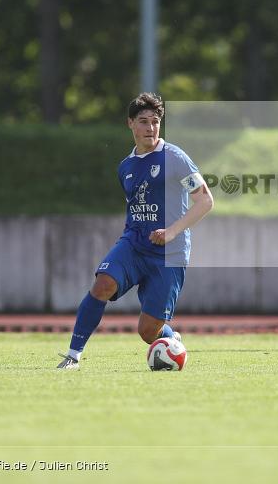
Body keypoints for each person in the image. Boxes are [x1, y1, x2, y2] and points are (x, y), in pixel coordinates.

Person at [57, 93, 214, 369]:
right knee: (102, 284)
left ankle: (170, 340)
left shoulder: (175, 158)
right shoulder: (125, 167)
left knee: (147, 332)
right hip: (133, 245)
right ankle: (73, 356)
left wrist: (172, 231)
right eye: (143, 121)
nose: (150, 128)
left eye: (155, 122)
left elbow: (205, 201)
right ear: (130, 124)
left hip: (170, 254)